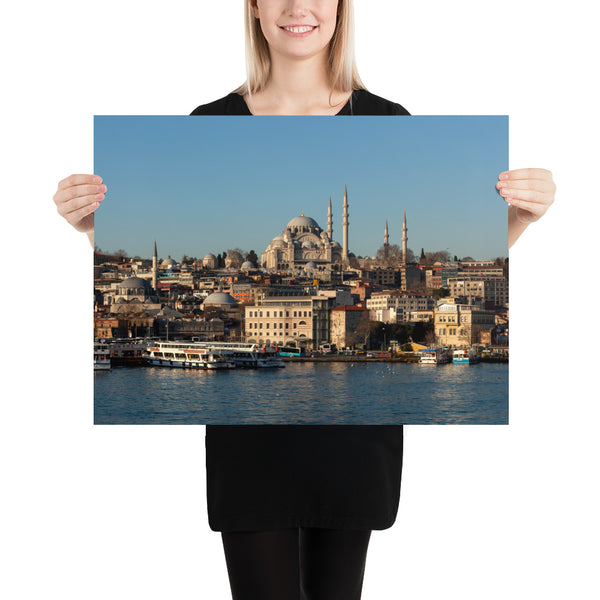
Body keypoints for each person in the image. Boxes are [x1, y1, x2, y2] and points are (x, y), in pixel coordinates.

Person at [53, 1, 555, 598]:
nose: (298, 6)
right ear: (254, 8)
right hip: (251, 447)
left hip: (352, 442)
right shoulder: (209, 119)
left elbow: (466, 262)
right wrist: (90, 228)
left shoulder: (388, 118)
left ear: (342, 9)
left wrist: (519, 221)